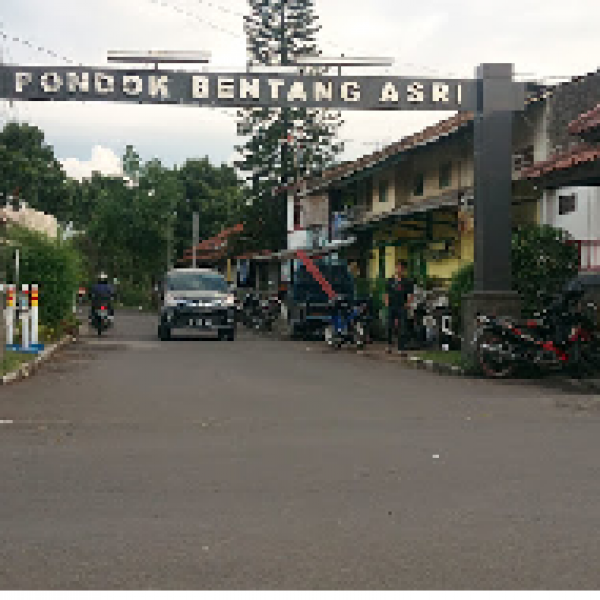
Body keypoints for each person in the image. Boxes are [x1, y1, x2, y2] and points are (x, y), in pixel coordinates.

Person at [384, 260, 415, 355]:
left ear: (404, 270)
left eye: (401, 268)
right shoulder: (390, 280)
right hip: (392, 306)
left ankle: (400, 348)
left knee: (402, 327)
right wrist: (387, 302)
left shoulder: (407, 282)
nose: (399, 270)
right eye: (397, 267)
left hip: (402, 306)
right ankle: (388, 345)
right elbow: (386, 293)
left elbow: (410, 295)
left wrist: (408, 304)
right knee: (390, 326)